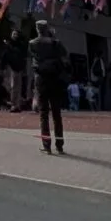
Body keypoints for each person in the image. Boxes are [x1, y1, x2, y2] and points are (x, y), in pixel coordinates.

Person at [31, 19, 68, 154]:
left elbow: (35, 61)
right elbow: (64, 56)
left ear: (37, 29)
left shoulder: (32, 43)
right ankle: (60, 144)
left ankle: (47, 145)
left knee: (43, 114)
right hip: (55, 80)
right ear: (47, 29)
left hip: (41, 81)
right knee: (57, 115)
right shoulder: (56, 43)